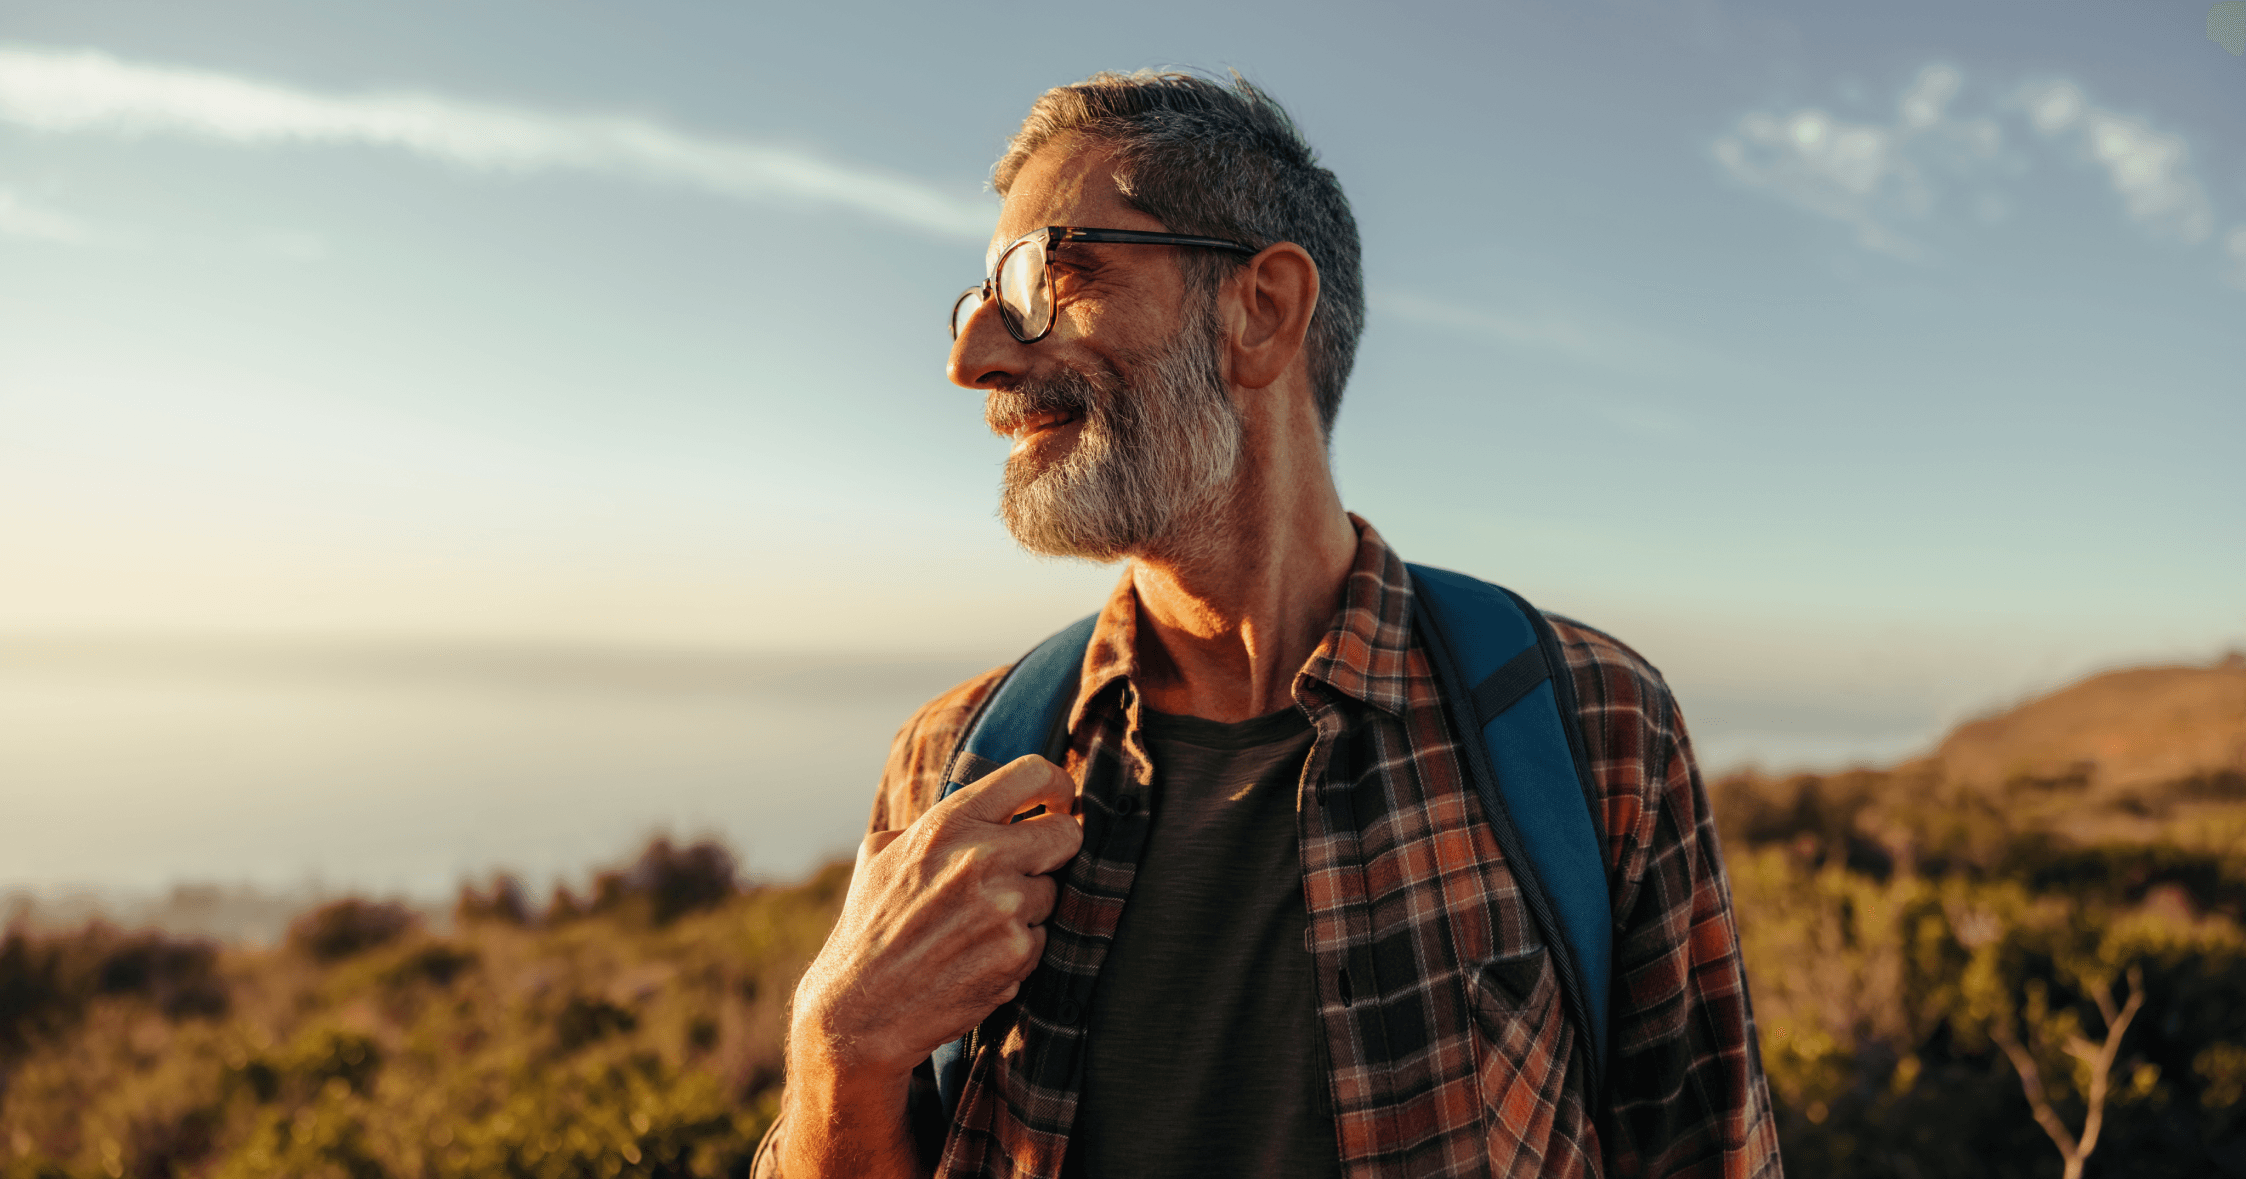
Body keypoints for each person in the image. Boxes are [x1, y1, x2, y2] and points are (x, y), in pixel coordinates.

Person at [756, 70, 1781, 1179]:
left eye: (1041, 278)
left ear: (1261, 311)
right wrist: (835, 1054)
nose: (976, 361)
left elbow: (1711, 1152)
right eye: (976, 304)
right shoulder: (954, 765)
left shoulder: (1587, 725)